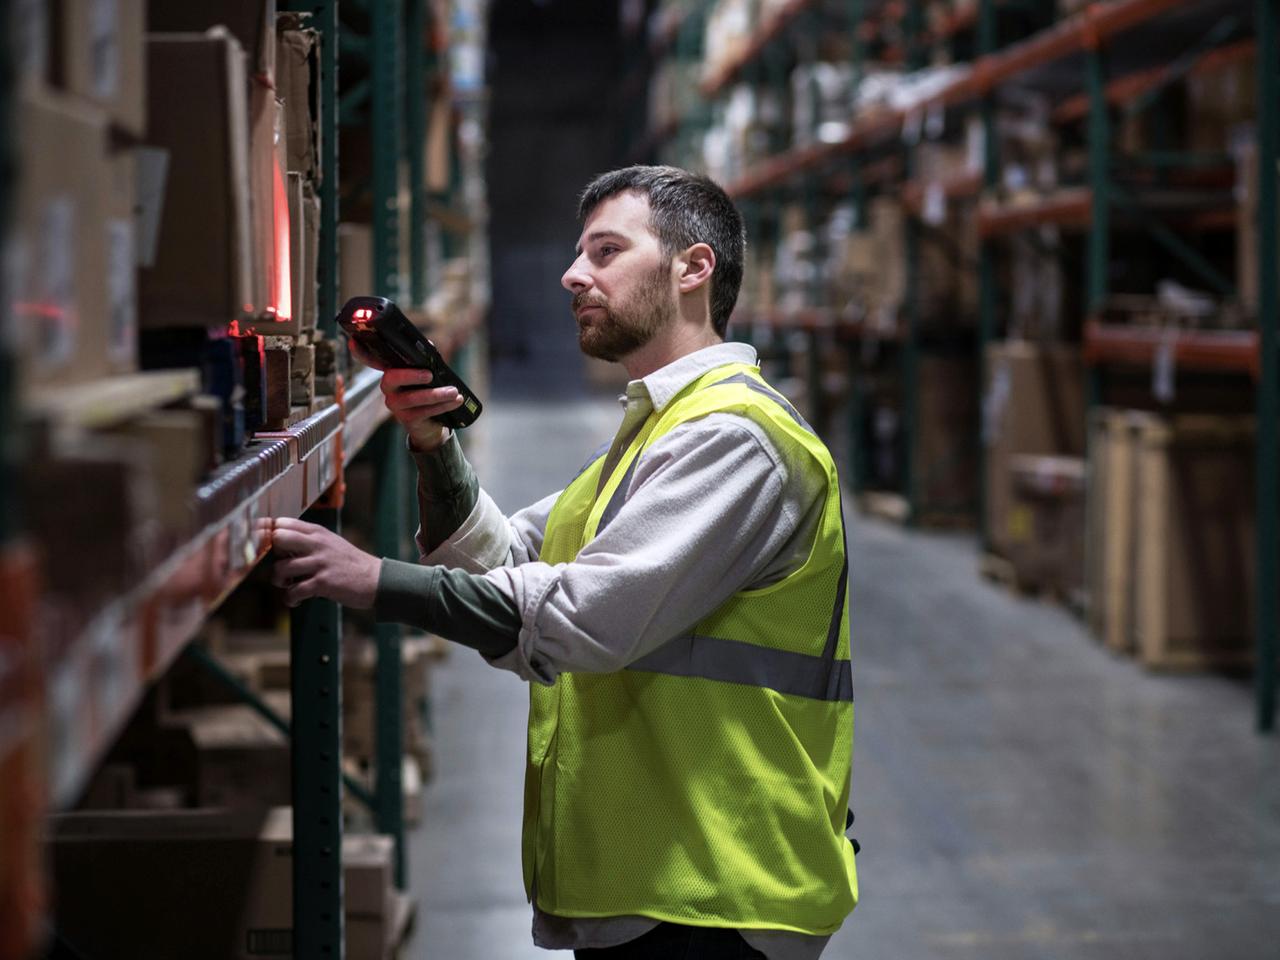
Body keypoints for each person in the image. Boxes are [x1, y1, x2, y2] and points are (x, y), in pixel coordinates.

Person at [269, 165, 858, 959]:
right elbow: (505, 559)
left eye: (607, 251)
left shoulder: (734, 438)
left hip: (719, 889)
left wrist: (372, 581)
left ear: (693, 269)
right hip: (658, 873)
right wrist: (432, 441)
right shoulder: (659, 429)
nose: (572, 275)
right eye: (580, 253)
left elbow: (579, 616)